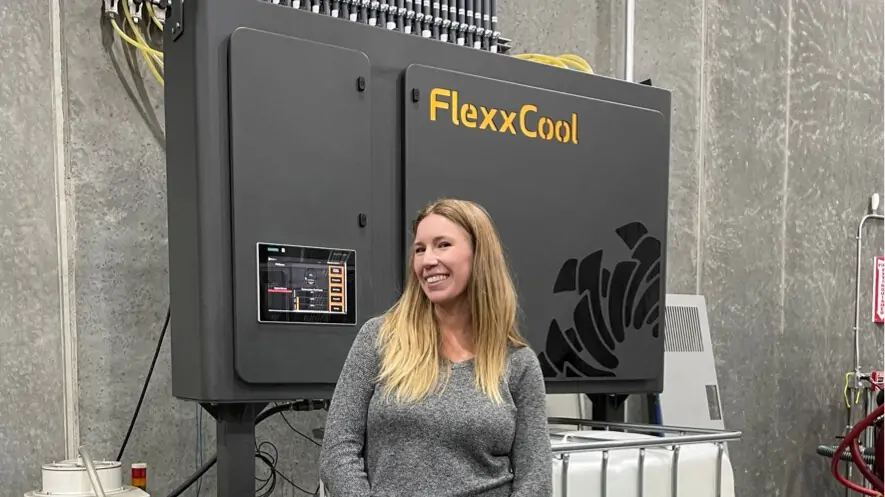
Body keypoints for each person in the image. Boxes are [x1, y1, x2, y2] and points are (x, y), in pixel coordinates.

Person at [319, 198, 553, 497]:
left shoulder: (518, 363)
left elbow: (535, 480)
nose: (427, 260)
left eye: (443, 245)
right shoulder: (380, 338)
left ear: (479, 255)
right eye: (420, 249)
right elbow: (338, 450)